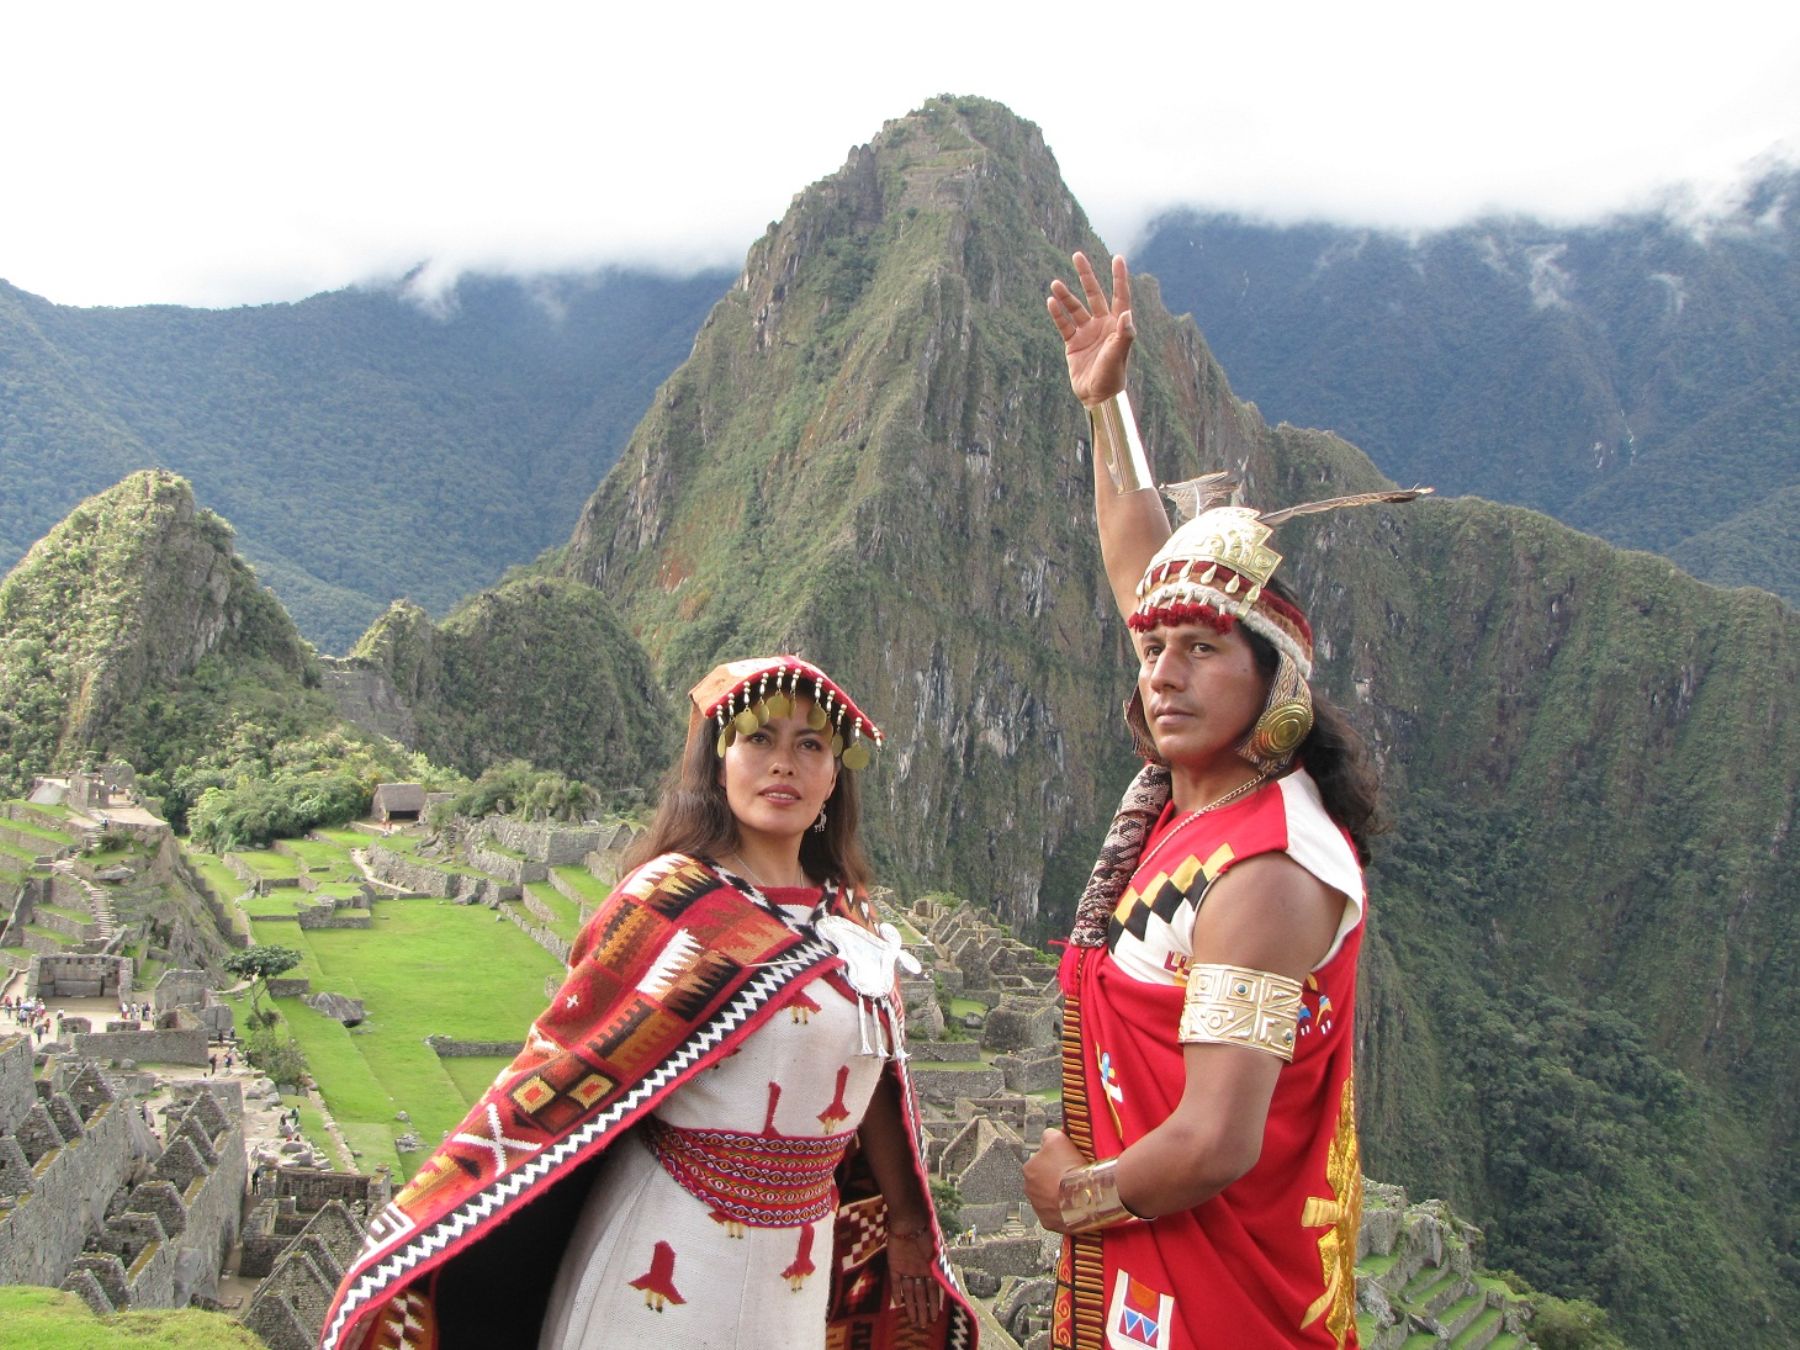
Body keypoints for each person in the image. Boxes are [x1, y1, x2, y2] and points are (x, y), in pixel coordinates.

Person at [321, 656, 976, 1350]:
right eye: (760, 739)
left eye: (809, 745)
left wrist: (906, 1222)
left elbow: (872, 1072)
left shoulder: (852, 921)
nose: (783, 764)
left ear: (834, 775)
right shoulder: (669, 901)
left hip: (798, 1257)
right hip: (670, 1242)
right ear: (719, 761)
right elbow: (566, 1065)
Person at [1023, 253, 1425, 1350]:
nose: (1162, 671)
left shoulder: (1268, 872)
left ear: (1272, 681)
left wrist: (1073, 1199)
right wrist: (1107, 410)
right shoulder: (1186, 800)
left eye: (1203, 653)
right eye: (1153, 651)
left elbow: (1213, 1143)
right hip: (1146, 1282)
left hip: (1220, 1304)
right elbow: (1140, 568)